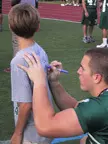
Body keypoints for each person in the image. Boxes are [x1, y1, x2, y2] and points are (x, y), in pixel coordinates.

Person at [18, 48, 108, 144]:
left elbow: (45, 126)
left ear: (97, 77)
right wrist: (54, 82)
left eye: (83, 68)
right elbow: (78, 110)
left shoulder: (103, 108)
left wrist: (39, 81)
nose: (78, 71)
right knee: (85, 140)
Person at [9, 4, 53, 144]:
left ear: (11, 27)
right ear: (38, 27)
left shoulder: (18, 61)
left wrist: (17, 133)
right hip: (45, 125)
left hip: (31, 133)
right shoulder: (39, 49)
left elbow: (25, 104)